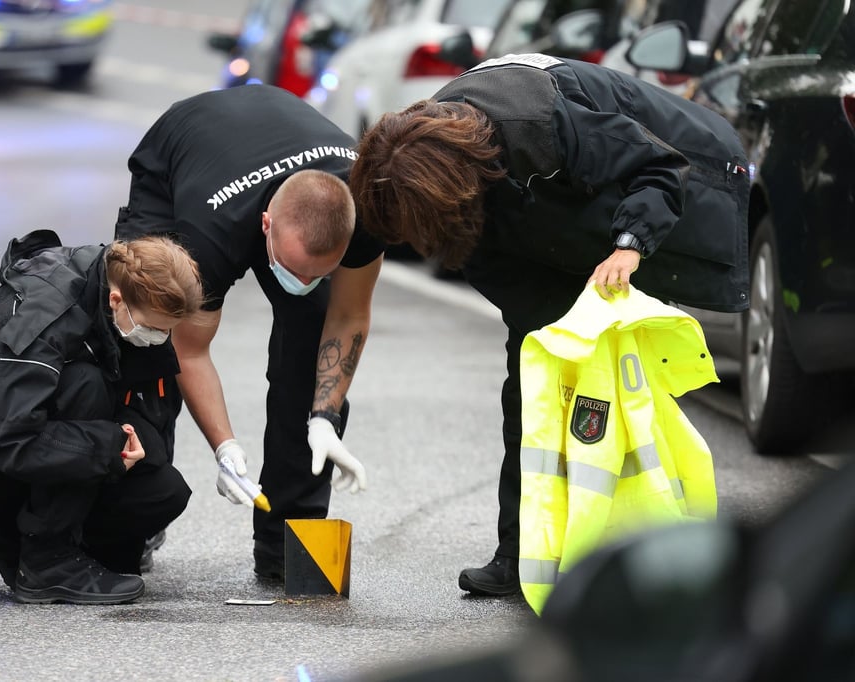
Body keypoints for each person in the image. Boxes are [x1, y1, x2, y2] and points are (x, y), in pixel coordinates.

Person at [348, 53, 749, 597]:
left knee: (623, 393)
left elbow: (657, 167)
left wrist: (631, 245)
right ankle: (518, 555)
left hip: (658, 190)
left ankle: (649, 550)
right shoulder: (428, 164)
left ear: (452, 188)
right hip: (545, 231)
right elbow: (481, 258)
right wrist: (550, 337)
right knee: (534, 386)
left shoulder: (540, 124)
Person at [114, 84, 385, 581]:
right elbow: (189, 350)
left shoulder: (366, 209)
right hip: (188, 149)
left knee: (311, 345)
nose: (303, 285)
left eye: (318, 274)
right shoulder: (207, 239)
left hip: (276, 142)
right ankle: (135, 516)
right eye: (293, 270)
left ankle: (288, 543)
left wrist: (323, 417)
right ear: (265, 227)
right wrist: (225, 446)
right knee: (144, 334)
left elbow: (348, 317)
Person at [0, 230, 205, 604]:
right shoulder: (48, 313)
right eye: (155, 328)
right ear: (116, 300)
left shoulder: (130, 301)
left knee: (164, 490)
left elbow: (151, 415)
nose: (159, 336)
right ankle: (47, 561)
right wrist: (106, 449)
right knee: (84, 384)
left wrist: (130, 444)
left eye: (167, 330)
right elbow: (5, 434)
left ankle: (75, 553)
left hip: (30, 439)